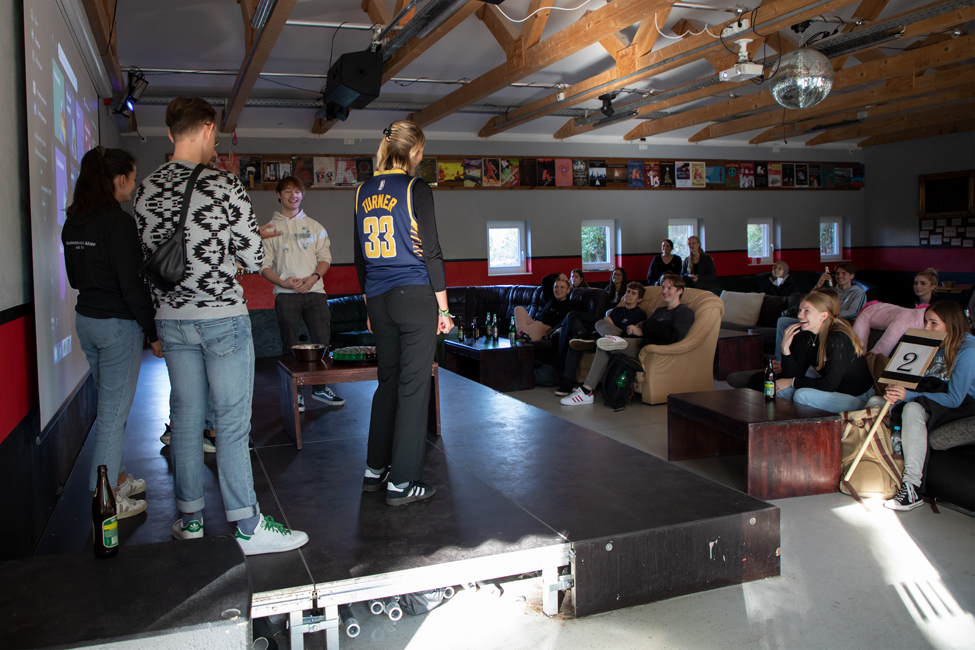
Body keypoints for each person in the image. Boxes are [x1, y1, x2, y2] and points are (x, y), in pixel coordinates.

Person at [135, 97, 307, 554]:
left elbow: (149, 257)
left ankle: (190, 520)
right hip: (221, 318)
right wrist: (227, 253)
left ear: (171, 133)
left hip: (171, 319)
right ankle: (247, 526)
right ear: (209, 129)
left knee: (186, 420)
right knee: (230, 423)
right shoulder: (223, 184)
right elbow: (253, 255)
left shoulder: (146, 188)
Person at [354, 121, 452, 507]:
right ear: (413, 152)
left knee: (388, 383)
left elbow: (359, 258)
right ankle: (403, 482)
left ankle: (375, 469)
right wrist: (444, 309)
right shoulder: (416, 188)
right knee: (413, 388)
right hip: (414, 297)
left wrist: (369, 305)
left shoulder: (363, 191)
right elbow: (433, 251)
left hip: (378, 298)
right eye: (421, 151)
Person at [62, 146, 160, 519]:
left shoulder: (74, 222)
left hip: (87, 322)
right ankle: (105, 501)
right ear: (119, 180)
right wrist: (152, 332)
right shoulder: (118, 223)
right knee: (113, 415)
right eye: (132, 179)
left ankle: (116, 479)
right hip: (117, 327)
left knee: (111, 408)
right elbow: (132, 287)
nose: (133, 187)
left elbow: (75, 279)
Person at [866, 302, 975, 511]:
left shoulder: (968, 350)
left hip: (961, 407)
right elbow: (917, 381)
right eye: (926, 322)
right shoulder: (930, 344)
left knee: (912, 409)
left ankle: (912, 487)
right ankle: (877, 468)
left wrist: (908, 396)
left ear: (951, 324)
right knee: (875, 403)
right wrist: (897, 391)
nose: (927, 328)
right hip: (932, 398)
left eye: (934, 323)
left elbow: (955, 399)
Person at [261, 176, 343, 413]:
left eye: (297, 191)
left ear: (302, 195)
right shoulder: (269, 229)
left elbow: (325, 258)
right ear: (279, 195)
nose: (293, 195)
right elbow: (263, 266)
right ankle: (295, 393)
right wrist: (282, 282)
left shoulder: (315, 226)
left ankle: (320, 388)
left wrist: (313, 278)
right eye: (287, 191)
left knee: (322, 342)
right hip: (285, 295)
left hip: (315, 293)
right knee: (290, 345)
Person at [561, 275, 694, 406]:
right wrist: (638, 328)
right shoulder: (660, 311)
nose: (664, 291)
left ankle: (586, 392)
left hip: (645, 345)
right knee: (600, 323)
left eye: (669, 288)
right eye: (663, 287)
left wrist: (642, 330)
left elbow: (675, 337)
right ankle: (613, 337)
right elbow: (647, 326)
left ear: (680, 291)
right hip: (632, 337)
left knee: (605, 345)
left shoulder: (683, 311)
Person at [773, 291, 875, 412]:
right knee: (779, 390)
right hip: (833, 392)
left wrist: (793, 382)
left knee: (801, 395)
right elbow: (794, 375)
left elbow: (829, 384)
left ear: (823, 316)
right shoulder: (807, 336)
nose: (800, 315)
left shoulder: (837, 339)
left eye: (807, 311)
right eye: (800, 310)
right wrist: (785, 349)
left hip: (858, 397)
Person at [556, 282, 647, 396]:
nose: (628, 294)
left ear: (639, 299)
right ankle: (567, 382)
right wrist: (607, 323)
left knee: (603, 326)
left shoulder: (639, 314)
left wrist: (610, 324)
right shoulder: (616, 310)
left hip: (621, 341)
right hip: (603, 337)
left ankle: (611, 338)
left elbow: (628, 332)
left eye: (633, 293)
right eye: (628, 291)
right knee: (577, 342)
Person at [513, 274, 580, 341]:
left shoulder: (571, 304)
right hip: (535, 322)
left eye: (562, 287)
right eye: (556, 287)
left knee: (514, 336)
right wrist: (558, 275)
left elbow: (573, 319)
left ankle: (521, 334)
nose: (558, 289)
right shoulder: (550, 298)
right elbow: (545, 280)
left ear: (568, 290)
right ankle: (522, 334)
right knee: (518, 308)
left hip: (546, 329)